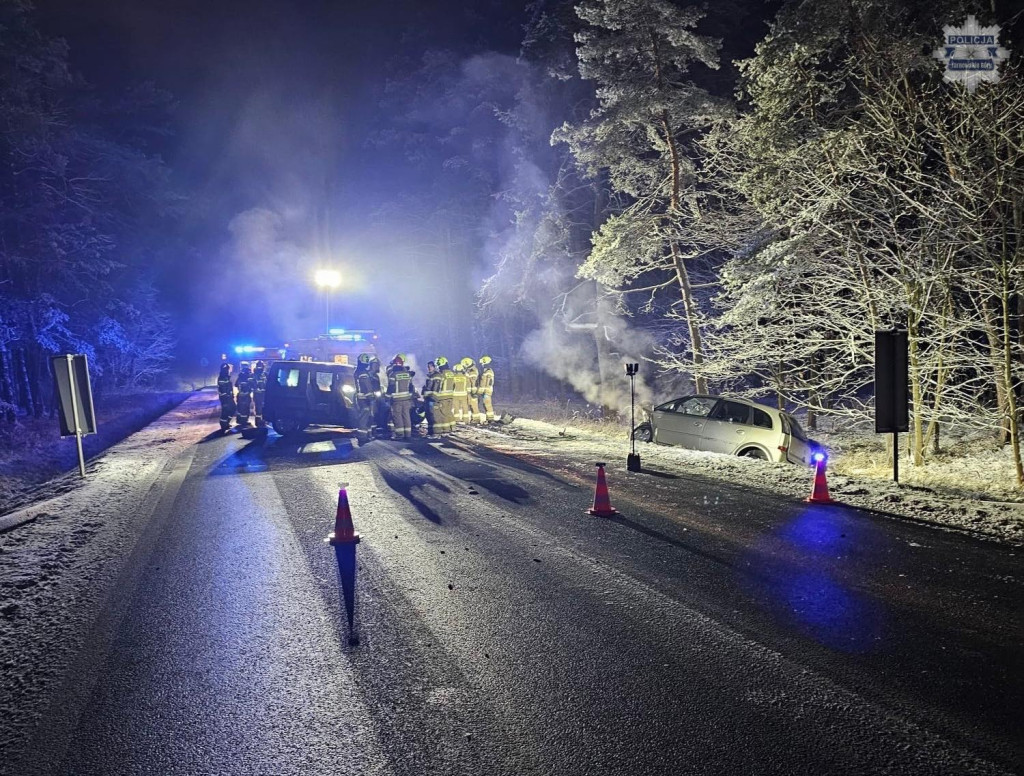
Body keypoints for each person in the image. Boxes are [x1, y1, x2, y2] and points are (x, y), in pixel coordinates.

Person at [385, 354, 416, 440]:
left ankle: (400, 434)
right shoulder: (407, 374)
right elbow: (410, 386)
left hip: (397, 399)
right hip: (406, 399)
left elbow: (391, 387)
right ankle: (408, 434)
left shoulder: (393, 374)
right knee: (406, 416)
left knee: (397, 416)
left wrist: (387, 397)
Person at [354, 353, 378, 439]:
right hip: (365, 399)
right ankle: (362, 436)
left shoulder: (357, 372)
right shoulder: (363, 374)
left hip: (361, 398)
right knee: (365, 417)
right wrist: (371, 397)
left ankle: (367, 435)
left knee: (366, 416)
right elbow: (367, 387)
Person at [435, 356, 456, 434]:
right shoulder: (451, 373)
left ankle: (445, 429)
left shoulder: (441, 374)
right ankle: (453, 427)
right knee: (449, 412)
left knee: (443, 413)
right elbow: (454, 385)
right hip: (450, 396)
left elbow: (439, 386)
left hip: (442, 397)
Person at [369, 356, 389, 437]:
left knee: (384, 408)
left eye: (377, 365)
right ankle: (373, 430)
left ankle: (382, 425)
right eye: (375, 365)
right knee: (372, 413)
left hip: (377, 397)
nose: (377, 366)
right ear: (371, 365)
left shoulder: (376, 376)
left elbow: (378, 387)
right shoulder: (369, 375)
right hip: (371, 398)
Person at [421, 361, 439, 437]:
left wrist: (432, 396)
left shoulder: (436, 375)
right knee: (428, 415)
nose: (429, 368)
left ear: (434, 367)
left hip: (432, 399)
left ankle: (435, 432)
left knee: (432, 416)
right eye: (428, 366)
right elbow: (426, 386)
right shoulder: (429, 375)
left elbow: (435, 388)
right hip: (427, 398)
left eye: (430, 366)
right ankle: (430, 432)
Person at [217, 363, 236, 432]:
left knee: (233, 408)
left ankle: (226, 423)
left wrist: (231, 395)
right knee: (225, 411)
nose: (230, 370)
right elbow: (223, 389)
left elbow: (229, 388)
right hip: (225, 398)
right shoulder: (222, 377)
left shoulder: (226, 376)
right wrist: (226, 396)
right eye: (229, 369)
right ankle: (223, 425)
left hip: (229, 397)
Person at [463, 357, 481, 423]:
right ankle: (474, 418)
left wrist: (474, 393)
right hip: (470, 392)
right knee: (472, 405)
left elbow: (473, 383)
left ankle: (476, 419)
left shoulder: (472, 371)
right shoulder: (471, 370)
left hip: (473, 392)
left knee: (474, 405)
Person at [478, 355, 496, 423]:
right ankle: (489, 419)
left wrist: (482, 390)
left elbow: (487, 383)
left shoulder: (488, 371)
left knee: (487, 404)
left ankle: (490, 419)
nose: (482, 365)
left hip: (487, 391)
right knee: (486, 404)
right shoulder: (486, 371)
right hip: (486, 391)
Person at [235, 361, 253, 427]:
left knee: (240, 408)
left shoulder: (240, 375)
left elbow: (236, 384)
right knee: (244, 409)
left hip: (240, 395)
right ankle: (244, 421)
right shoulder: (247, 375)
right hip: (245, 396)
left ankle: (240, 420)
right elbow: (251, 385)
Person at [252, 360, 268, 428]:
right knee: (258, 408)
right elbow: (253, 384)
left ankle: (263, 421)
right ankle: (258, 422)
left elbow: (266, 383)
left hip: (263, 394)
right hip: (258, 394)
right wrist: (257, 389)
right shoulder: (255, 374)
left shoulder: (264, 374)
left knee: (263, 408)